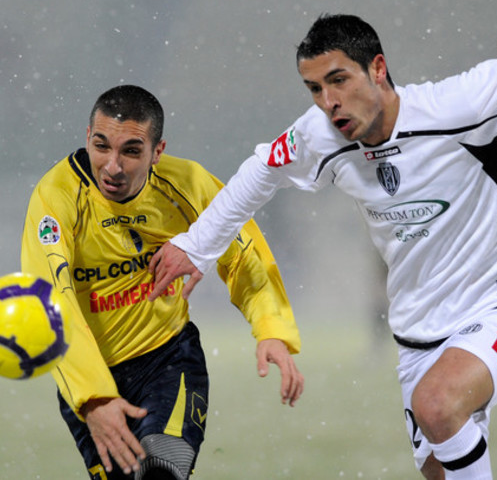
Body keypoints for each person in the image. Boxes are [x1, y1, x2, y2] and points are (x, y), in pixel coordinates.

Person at [148, 14, 497, 479]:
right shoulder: (320, 135)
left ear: (377, 69)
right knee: (439, 459)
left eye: (338, 80)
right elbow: (261, 172)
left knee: (436, 405)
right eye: (314, 89)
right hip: (419, 336)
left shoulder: (458, 105)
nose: (329, 102)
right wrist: (196, 246)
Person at [20, 84, 304, 480]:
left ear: (158, 151)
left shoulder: (187, 183)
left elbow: (243, 254)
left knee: (161, 473)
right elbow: (53, 301)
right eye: (101, 146)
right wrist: (93, 398)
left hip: (168, 361)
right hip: (92, 378)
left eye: (131, 151)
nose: (112, 166)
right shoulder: (56, 197)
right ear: (87, 138)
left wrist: (271, 328)